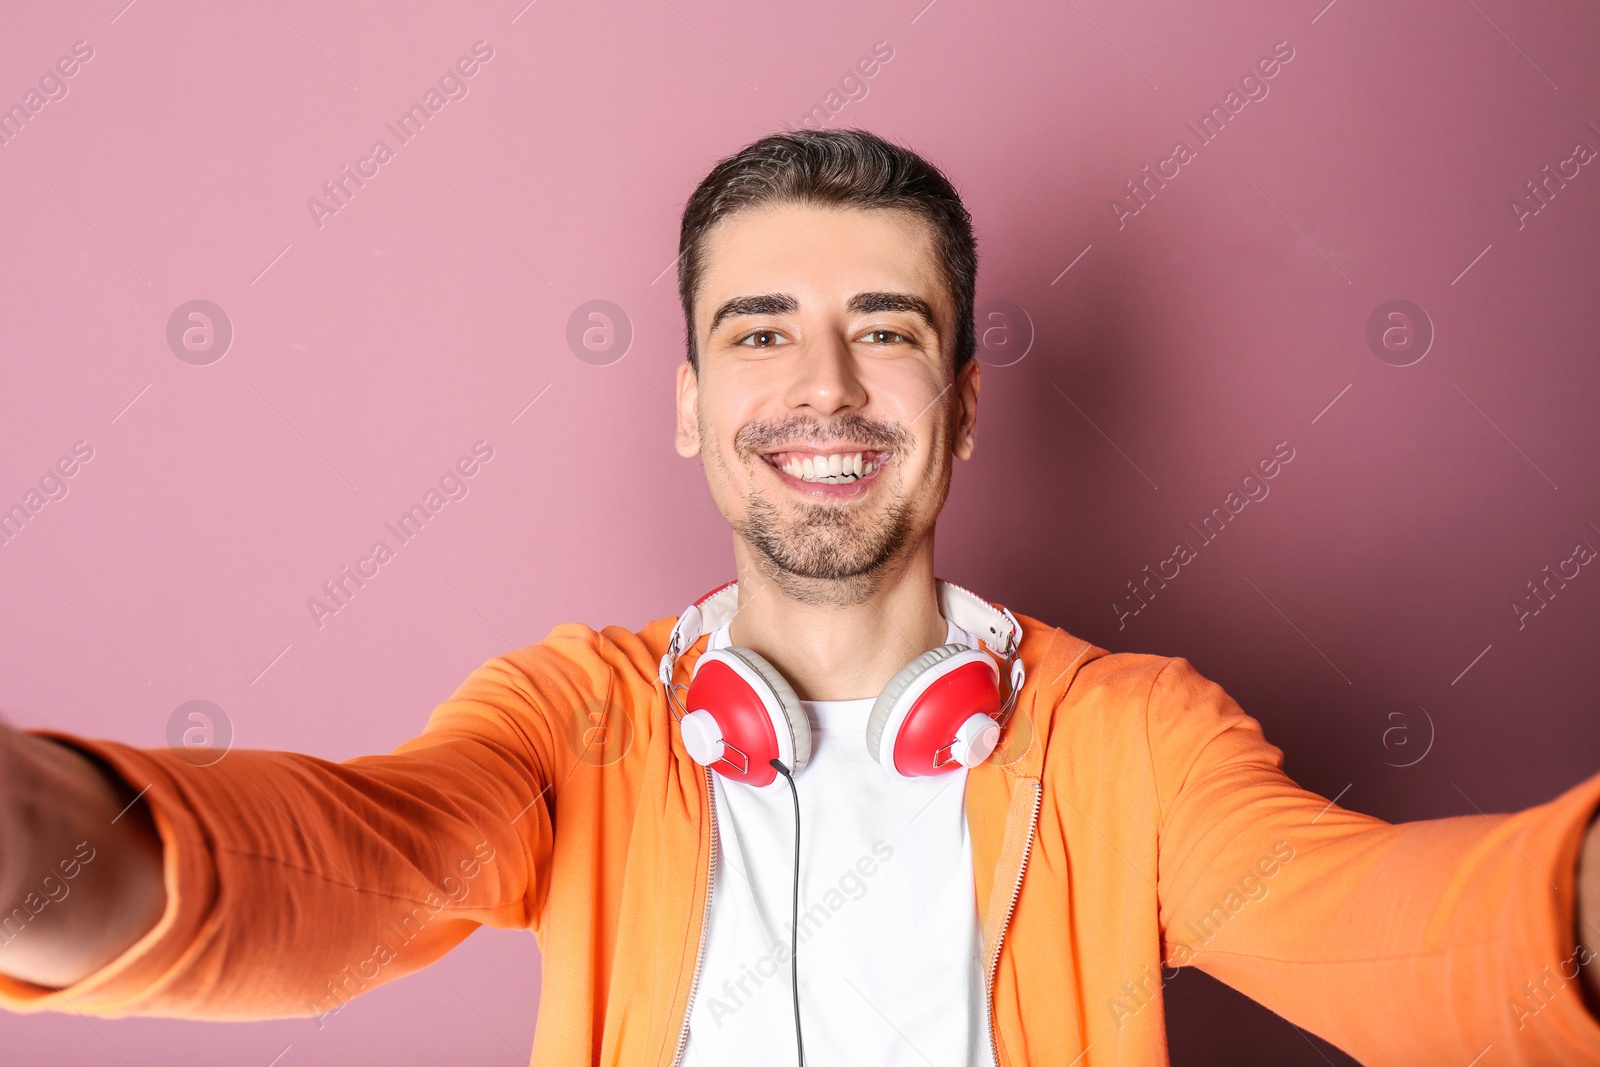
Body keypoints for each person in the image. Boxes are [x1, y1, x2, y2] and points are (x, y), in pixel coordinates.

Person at [2, 127, 1598, 1067]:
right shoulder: (573, 722)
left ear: (963, 403)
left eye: (886, 329)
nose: (824, 390)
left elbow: (1409, 940)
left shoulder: (1134, 740)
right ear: (690, 402)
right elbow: (336, 872)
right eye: (760, 331)